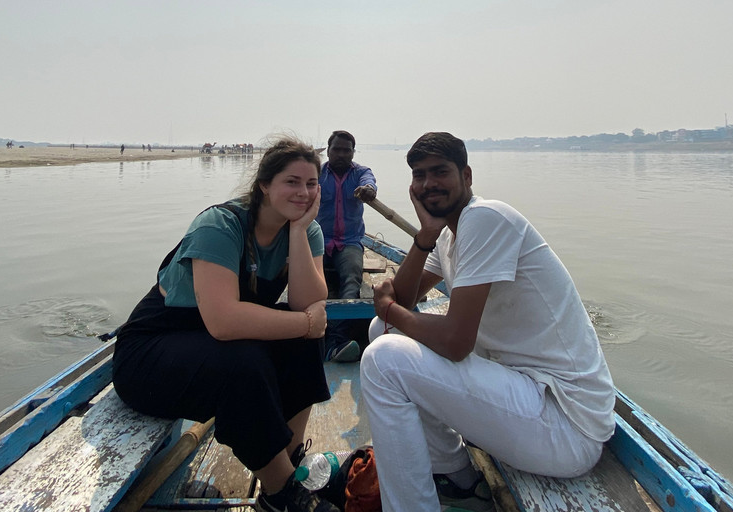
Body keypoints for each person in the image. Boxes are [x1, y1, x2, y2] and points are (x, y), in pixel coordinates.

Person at [360, 132, 615, 512]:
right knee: (382, 332)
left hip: (566, 425)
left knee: (383, 358)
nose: (428, 183)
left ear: (466, 176)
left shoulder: (485, 218)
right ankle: (456, 477)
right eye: (419, 175)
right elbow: (406, 299)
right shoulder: (449, 235)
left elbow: (454, 342)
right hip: (526, 396)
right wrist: (425, 236)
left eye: (440, 172)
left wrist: (389, 309)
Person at [112, 137, 341, 512]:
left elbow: (307, 304)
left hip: (210, 346)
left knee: (300, 341)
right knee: (246, 362)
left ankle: (289, 459)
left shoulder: (304, 229)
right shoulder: (220, 226)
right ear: (264, 185)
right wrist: (305, 323)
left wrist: (299, 232)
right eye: (292, 182)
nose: (303, 192)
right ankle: (281, 495)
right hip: (149, 356)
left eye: (311, 183)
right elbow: (223, 322)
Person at [316, 130, 377, 363]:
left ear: (353, 152)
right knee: (311, 282)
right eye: (337, 149)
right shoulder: (317, 174)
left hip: (350, 242)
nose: (341, 154)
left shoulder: (361, 173)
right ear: (328, 150)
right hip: (319, 240)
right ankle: (317, 335)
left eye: (346, 150)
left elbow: (369, 183)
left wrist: (368, 191)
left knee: (351, 279)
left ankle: (336, 339)